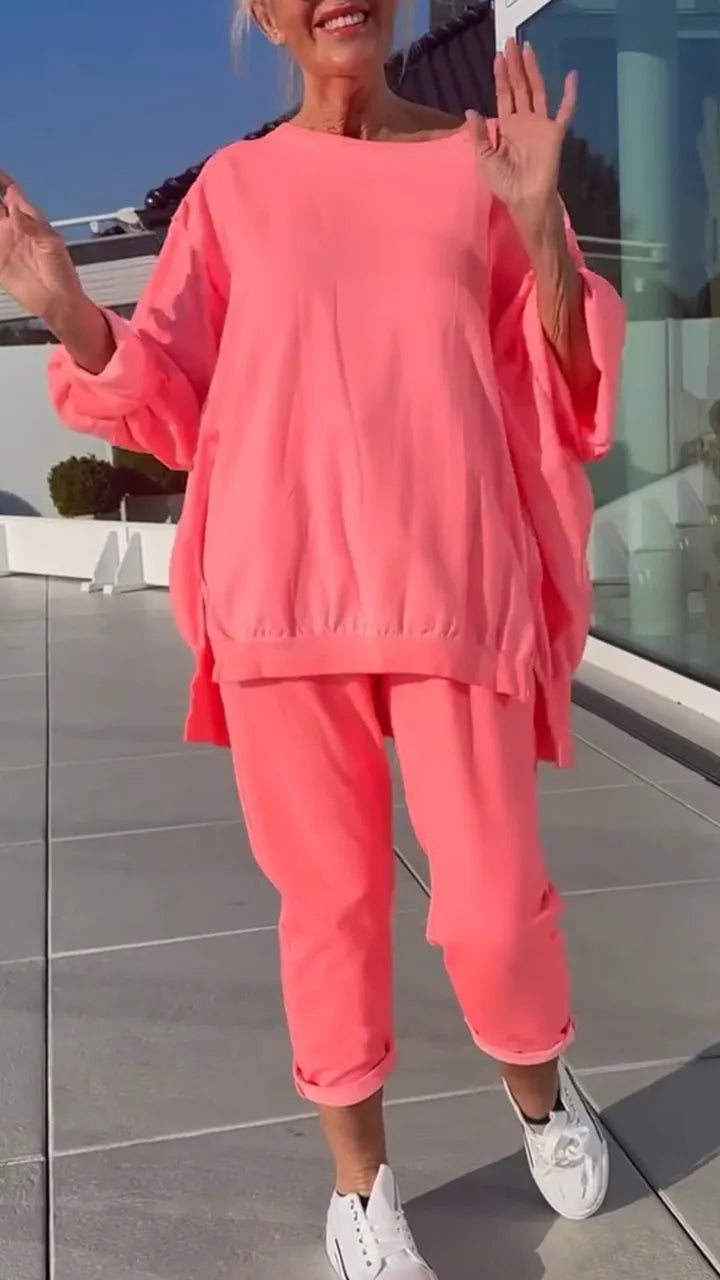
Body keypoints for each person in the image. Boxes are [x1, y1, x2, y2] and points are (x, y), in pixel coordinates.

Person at [0, 3, 625, 1274]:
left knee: (493, 907)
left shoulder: (482, 159)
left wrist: (535, 232)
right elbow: (172, 398)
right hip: (280, 594)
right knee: (329, 907)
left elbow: (565, 383)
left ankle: (540, 1086)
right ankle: (359, 1188)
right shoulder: (233, 192)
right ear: (264, 16)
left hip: (454, 582)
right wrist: (69, 311)